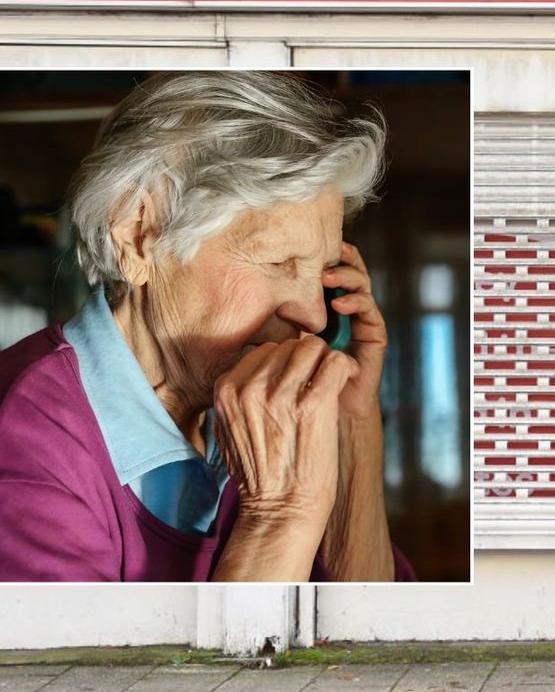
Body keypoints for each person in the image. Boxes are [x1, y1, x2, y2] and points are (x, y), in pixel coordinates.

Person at [0, 71, 415, 582]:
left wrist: (351, 424)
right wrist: (278, 515)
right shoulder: (26, 444)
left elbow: (366, 626)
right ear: (139, 238)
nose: (315, 316)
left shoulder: (257, 406)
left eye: (323, 272)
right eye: (278, 262)